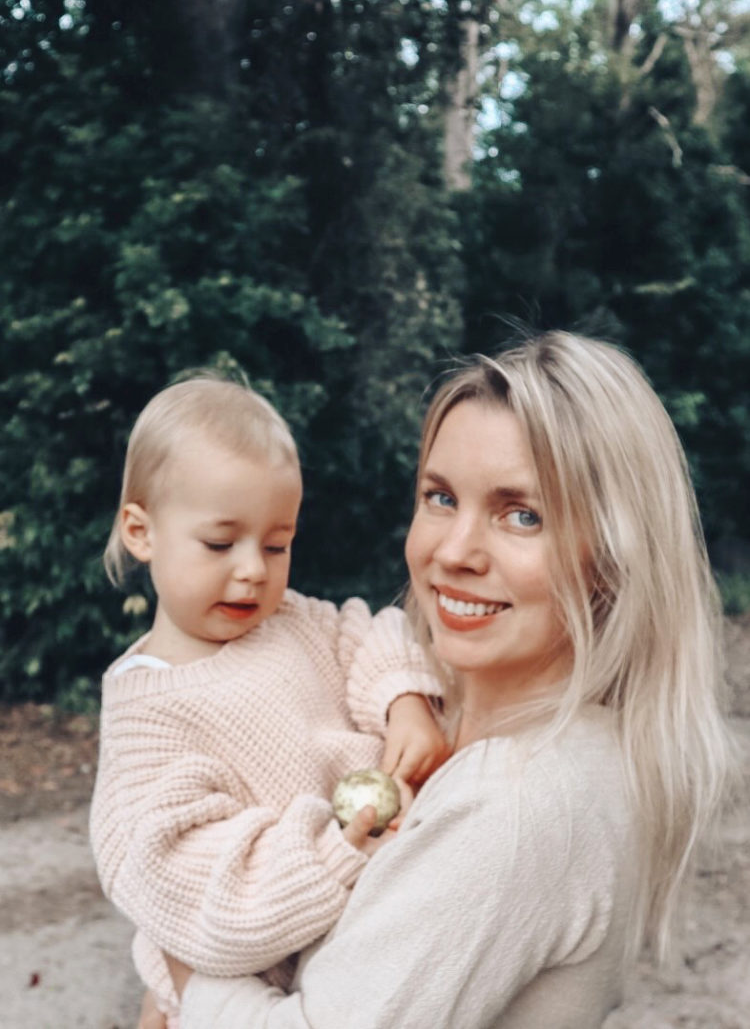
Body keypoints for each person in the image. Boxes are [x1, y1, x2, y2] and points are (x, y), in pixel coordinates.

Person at [166, 331, 736, 1028]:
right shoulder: (449, 727)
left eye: (522, 515)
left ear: (612, 559)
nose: (454, 551)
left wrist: (182, 969)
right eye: (440, 497)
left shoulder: (516, 802)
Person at [89, 375, 449, 1028]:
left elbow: (371, 634)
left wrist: (403, 699)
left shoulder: (295, 622)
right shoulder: (148, 713)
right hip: (248, 997)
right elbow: (181, 878)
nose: (254, 569)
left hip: (369, 952)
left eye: (276, 544)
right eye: (220, 543)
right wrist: (337, 850)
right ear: (142, 532)